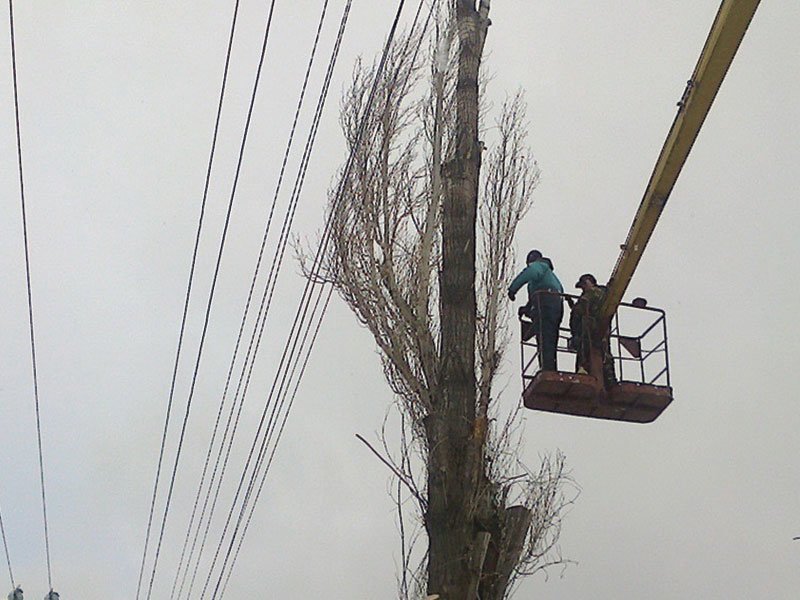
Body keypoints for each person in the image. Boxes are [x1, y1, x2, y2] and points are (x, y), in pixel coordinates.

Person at [508, 250, 564, 371]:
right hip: (556, 305)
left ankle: (547, 368)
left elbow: (530, 273)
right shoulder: (550, 277)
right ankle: (550, 367)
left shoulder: (539, 266)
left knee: (544, 337)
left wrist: (513, 289)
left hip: (546, 302)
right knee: (550, 337)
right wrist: (527, 309)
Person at [569, 273, 617, 387]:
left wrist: (574, 330)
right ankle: (610, 380)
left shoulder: (592, 293)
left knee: (584, 351)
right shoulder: (604, 293)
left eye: (583, 285)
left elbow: (579, 311)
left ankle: (583, 371)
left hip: (589, 329)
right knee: (605, 354)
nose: (583, 289)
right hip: (601, 329)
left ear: (588, 282)